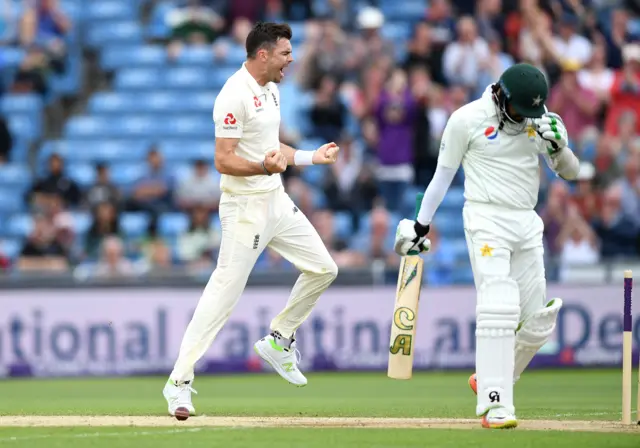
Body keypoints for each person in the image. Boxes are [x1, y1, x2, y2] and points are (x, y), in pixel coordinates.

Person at [163, 22, 340, 421]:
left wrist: (312, 157)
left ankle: (279, 340)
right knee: (223, 295)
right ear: (263, 55)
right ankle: (178, 382)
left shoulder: (271, 90)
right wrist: (262, 166)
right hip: (244, 208)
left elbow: (272, 148)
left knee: (324, 268)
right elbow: (222, 159)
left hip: (275, 200)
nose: (290, 60)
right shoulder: (233, 94)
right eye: (284, 54)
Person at [393, 63, 580, 429]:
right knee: (499, 304)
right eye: (520, 110)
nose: (525, 119)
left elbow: (572, 173)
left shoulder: (539, 119)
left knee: (538, 321)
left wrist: (561, 147)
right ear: (501, 95)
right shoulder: (467, 120)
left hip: (526, 222)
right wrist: (420, 225)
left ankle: (491, 376)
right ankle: (496, 404)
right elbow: (442, 176)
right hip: (485, 219)